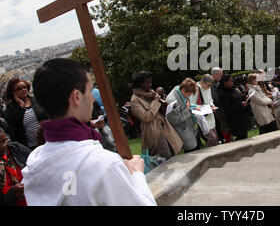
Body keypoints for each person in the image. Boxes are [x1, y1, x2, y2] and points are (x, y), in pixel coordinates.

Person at [21, 58, 156, 206]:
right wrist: (137, 174)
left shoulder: (33, 164)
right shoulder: (101, 164)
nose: (92, 99)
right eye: (90, 90)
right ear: (77, 97)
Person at [130, 71, 182, 159]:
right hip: (153, 131)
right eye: (148, 82)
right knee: (164, 156)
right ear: (140, 84)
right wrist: (155, 102)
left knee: (172, 152)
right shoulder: (135, 100)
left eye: (151, 82)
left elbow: (159, 109)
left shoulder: (151, 93)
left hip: (163, 127)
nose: (150, 85)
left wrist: (167, 105)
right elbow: (146, 117)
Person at [5, 78, 48, 150]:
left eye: (24, 87)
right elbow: (13, 123)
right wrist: (21, 106)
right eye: (19, 89)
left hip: (47, 140)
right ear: (13, 93)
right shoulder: (11, 108)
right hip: (29, 147)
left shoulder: (36, 100)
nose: (23, 90)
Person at [165, 78, 199, 152]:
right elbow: (175, 120)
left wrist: (193, 107)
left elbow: (187, 105)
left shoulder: (182, 93)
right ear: (183, 90)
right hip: (182, 130)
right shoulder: (171, 100)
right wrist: (188, 110)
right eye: (189, 94)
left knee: (193, 150)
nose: (189, 96)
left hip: (188, 128)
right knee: (190, 151)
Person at [1, 128, 30, 206]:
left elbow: (35, 164)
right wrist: (11, 192)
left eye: (4, 141)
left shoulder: (16, 148)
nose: (4, 145)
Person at [190, 74, 219, 147]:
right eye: (208, 85)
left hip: (210, 116)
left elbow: (209, 100)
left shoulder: (208, 88)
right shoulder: (196, 89)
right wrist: (207, 108)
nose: (209, 87)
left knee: (215, 139)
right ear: (202, 82)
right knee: (212, 139)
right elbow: (192, 105)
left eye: (211, 86)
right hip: (202, 118)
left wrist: (212, 105)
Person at [218, 75, 250, 140]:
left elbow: (239, 99)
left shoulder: (234, 90)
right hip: (234, 119)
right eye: (230, 81)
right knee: (241, 137)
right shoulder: (223, 94)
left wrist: (244, 98)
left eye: (232, 81)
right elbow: (227, 108)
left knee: (244, 136)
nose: (232, 82)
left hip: (242, 116)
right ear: (225, 82)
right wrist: (240, 105)